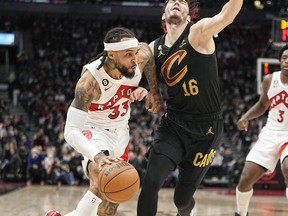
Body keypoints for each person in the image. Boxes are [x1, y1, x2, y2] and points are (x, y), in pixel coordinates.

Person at [137, 0, 243, 216]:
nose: (176, 2)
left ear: (189, 15)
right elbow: (136, 73)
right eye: (171, 0)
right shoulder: (152, 48)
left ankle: (186, 212)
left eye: (183, 1)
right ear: (163, 16)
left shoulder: (198, 32)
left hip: (207, 129)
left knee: (182, 199)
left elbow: (227, 15)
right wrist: (145, 90)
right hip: (174, 125)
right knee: (151, 181)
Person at [46, 26, 163, 216]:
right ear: (111, 54)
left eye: (134, 53)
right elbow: (71, 131)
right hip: (94, 131)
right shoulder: (90, 82)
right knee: (101, 180)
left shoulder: (137, 59)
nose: (135, 59)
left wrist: (153, 91)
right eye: (128, 54)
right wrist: (98, 156)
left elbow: (148, 54)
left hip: (120, 133)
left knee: (112, 199)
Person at [234, 44, 288, 216]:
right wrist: (246, 117)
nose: (287, 61)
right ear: (280, 61)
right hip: (271, 133)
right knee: (245, 179)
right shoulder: (270, 80)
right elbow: (263, 105)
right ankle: (241, 214)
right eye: (285, 57)